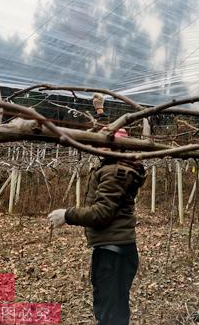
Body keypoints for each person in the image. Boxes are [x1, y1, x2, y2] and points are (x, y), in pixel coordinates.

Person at [47, 113, 146, 324]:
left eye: (105, 142)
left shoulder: (115, 172)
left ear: (118, 146)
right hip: (114, 250)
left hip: (114, 254)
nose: (98, 146)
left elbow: (101, 213)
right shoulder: (116, 166)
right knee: (112, 307)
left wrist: (67, 214)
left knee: (110, 313)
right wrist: (99, 110)